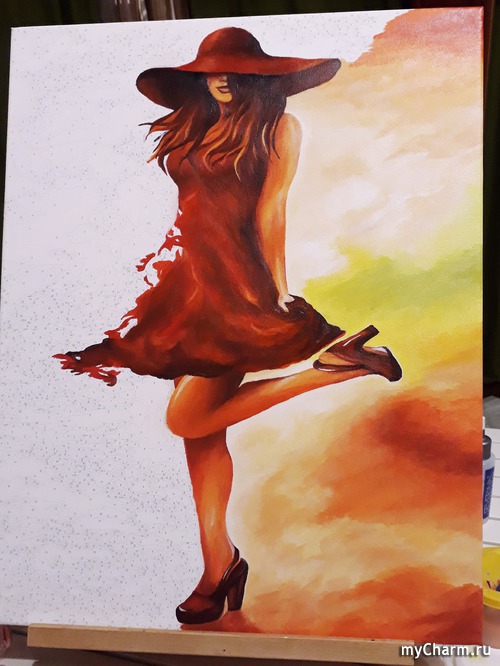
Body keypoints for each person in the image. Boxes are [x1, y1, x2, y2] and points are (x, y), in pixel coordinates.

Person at [55, 27, 402, 625]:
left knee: (184, 418)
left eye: (231, 69)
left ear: (257, 78)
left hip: (234, 287)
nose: (217, 78)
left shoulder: (280, 129)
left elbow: (271, 210)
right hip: (187, 285)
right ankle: (219, 565)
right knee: (201, 435)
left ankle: (332, 371)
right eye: (209, 69)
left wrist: (277, 292)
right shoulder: (196, 125)